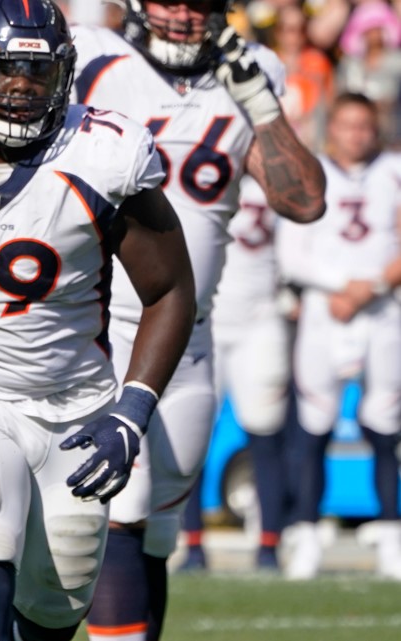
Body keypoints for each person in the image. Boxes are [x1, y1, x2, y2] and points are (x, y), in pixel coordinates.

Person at [0, 1, 195, 639]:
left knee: (54, 611)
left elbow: (170, 288)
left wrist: (133, 408)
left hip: (77, 408)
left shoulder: (103, 151)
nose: (18, 87)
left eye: (35, 73)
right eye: (1, 68)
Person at [70, 1, 326, 639]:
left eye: (201, 2)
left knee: (156, 535)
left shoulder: (252, 69)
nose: (184, 15)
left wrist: (263, 109)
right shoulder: (90, 59)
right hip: (104, 333)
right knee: (120, 513)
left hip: (191, 343)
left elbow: (305, 201)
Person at [277, 93, 401, 581]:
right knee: (315, 421)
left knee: (384, 421)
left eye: (364, 126)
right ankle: (306, 533)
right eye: (347, 125)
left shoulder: (393, 170)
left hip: (384, 308)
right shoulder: (309, 173)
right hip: (325, 312)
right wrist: (339, 286)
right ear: (333, 130)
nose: (356, 135)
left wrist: (370, 286)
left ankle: (391, 533)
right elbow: (291, 254)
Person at [179, 175, 294, 574]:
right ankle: (192, 543)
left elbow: (298, 246)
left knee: (264, 433)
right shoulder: (188, 174)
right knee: (191, 433)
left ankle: (269, 545)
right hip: (200, 319)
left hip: (260, 318)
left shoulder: (271, 184)